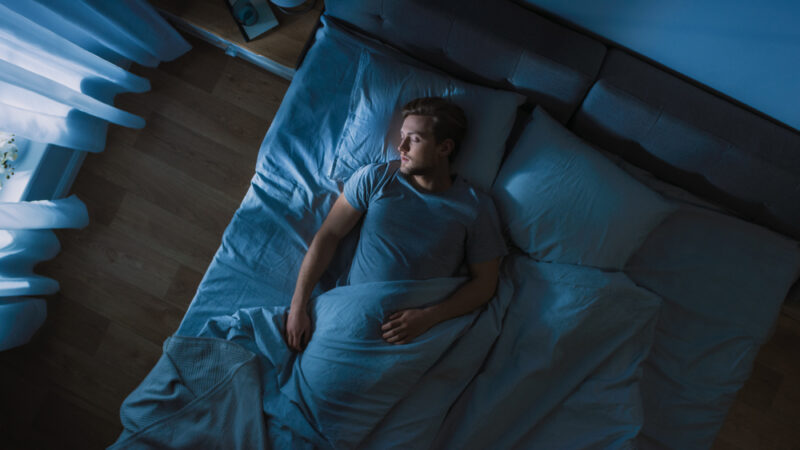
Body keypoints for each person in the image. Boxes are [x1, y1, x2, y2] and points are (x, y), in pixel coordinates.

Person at [284, 97, 507, 352]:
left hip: (415, 335)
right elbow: (329, 234)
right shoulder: (377, 178)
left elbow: (485, 284)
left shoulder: (476, 208)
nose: (400, 146)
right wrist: (298, 308)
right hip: (350, 314)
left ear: (444, 148)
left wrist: (429, 317)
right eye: (401, 136)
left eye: (414, 139)